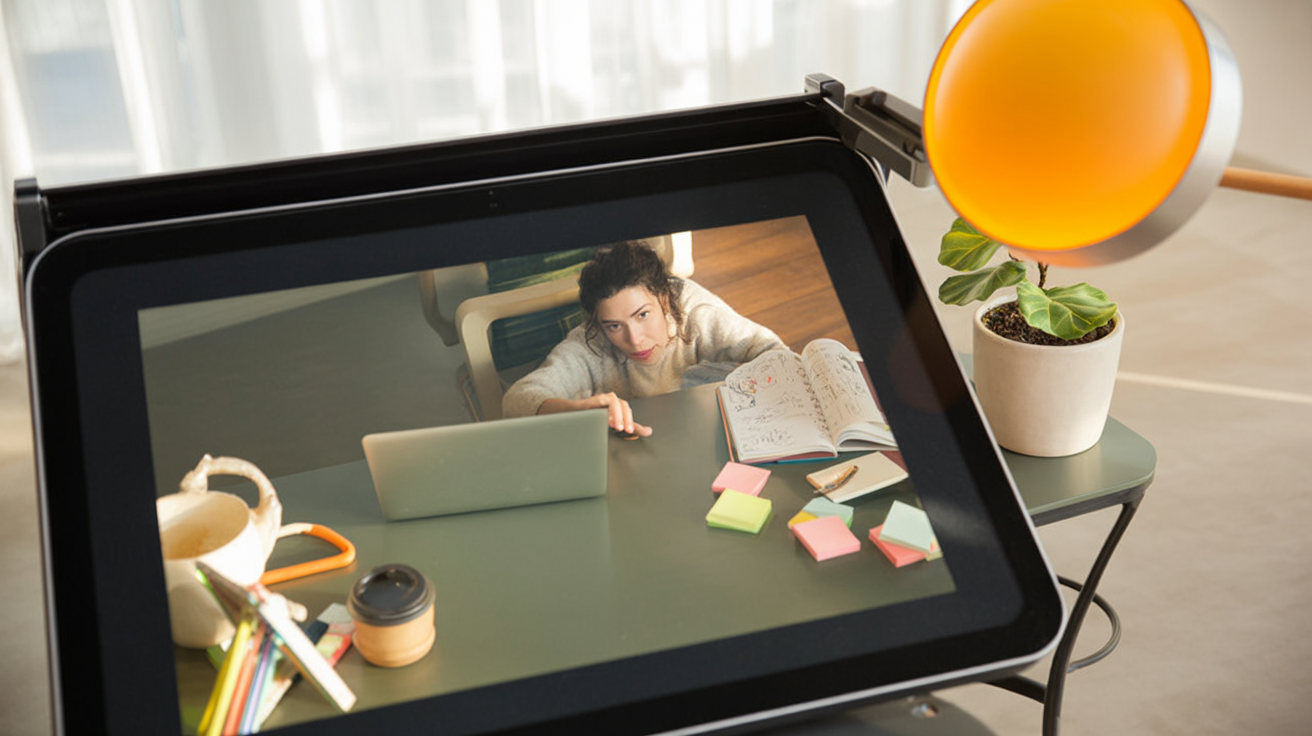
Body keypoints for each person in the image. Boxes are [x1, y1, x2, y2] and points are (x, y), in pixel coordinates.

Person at [501, 240, 786, 436]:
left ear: (664, 298)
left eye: (642, 315)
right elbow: (516, 399)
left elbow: (775, 353)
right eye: (614, 326)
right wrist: (575, 410)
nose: (635, 340)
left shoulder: (697, 313)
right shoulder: (591, 342)